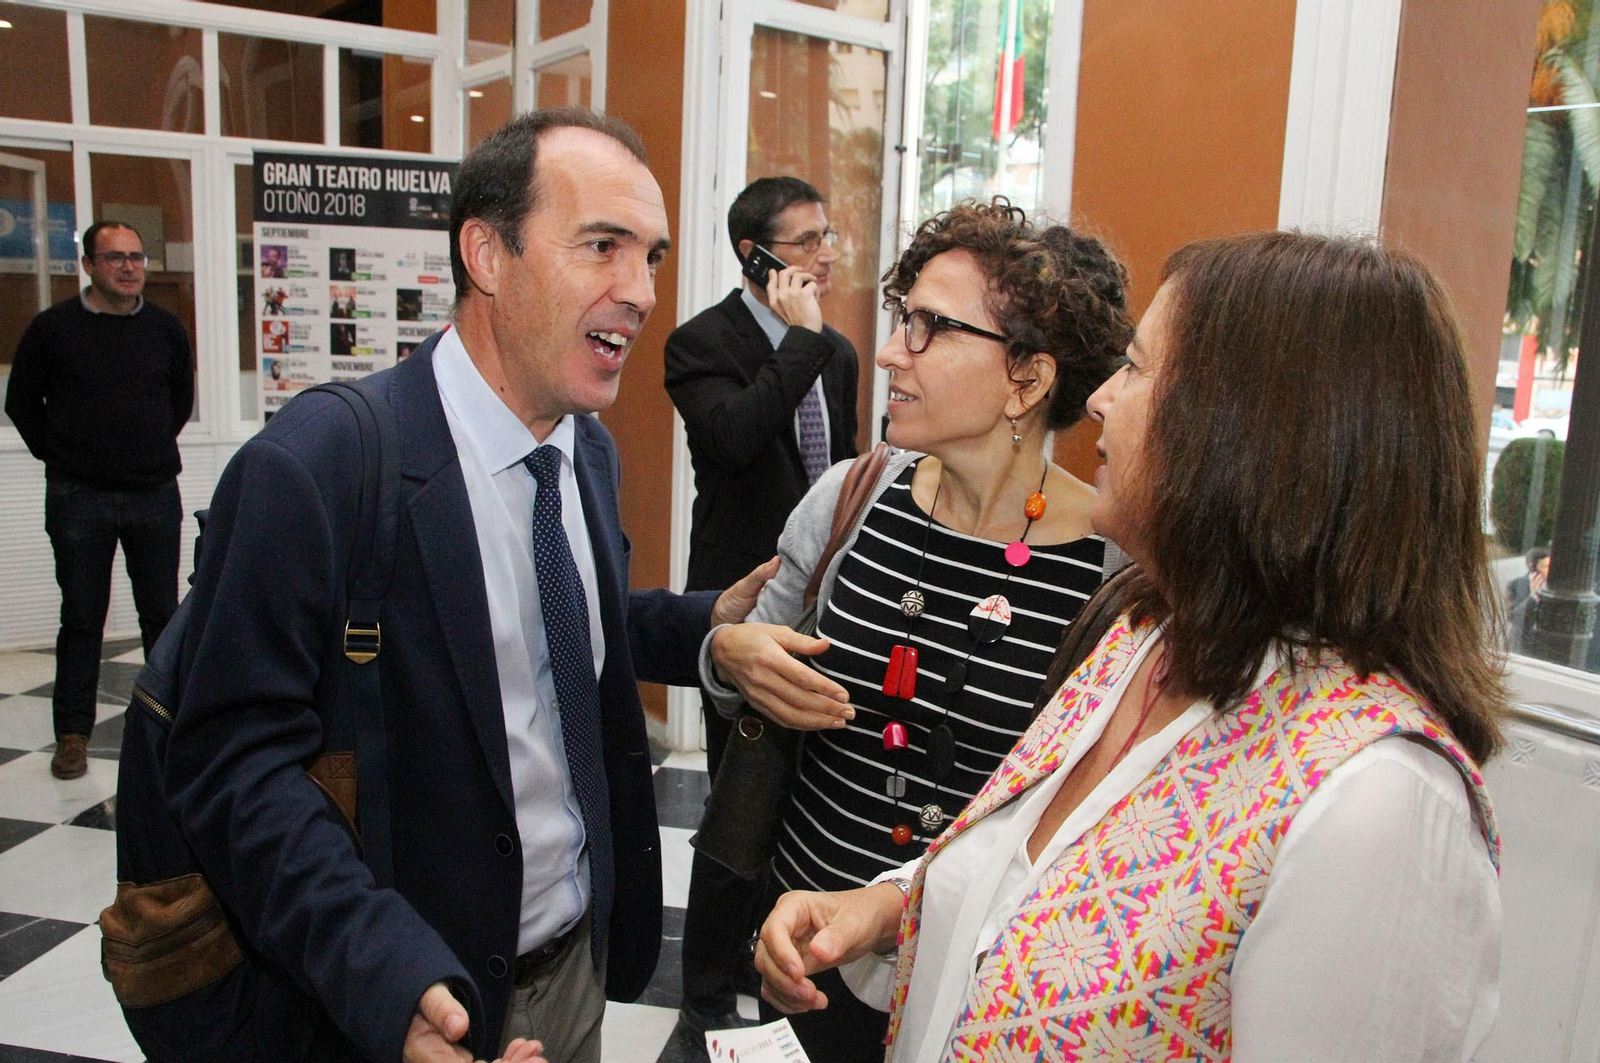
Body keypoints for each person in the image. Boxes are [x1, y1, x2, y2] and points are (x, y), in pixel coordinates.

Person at [754, 231, 1507, 1063]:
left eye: (1140, 369)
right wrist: (891, 905)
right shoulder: (1144, 633)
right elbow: (1024, 879)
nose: (1103, 397)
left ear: (1257, 435)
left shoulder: (1381, 807)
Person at [161, 108, 775, 1063]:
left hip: (572, 973)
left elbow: (555, 634)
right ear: (486, 254)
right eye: (602, 246)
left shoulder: (585, 450)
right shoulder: (316, 468)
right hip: (406, 996)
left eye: (650, 255)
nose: (642, 292)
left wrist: (705, 632)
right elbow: (232, 765)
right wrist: (387, 979)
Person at [703, 198, 1132, 1062]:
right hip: (799, 952)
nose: (893, 350)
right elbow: (746, 655)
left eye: (931, 327)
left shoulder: (1112, 571)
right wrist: (727, 653)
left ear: (1028, 378)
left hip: (966, 990)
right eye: (904, 319)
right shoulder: (850, 499)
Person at [659, 175, 860, 1056]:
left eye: (828, 236)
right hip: (739, 606)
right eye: (806, 239)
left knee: (801, 793)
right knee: (739, 796)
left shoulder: (838, 351)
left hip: (826, 603)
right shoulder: (699, 342)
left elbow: (847, 470)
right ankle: (703, 980)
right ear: (756, 255)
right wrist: (803, 345)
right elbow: (736, 438)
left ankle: (758, 953)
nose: (825, 253)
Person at [5, 221, 193, 780]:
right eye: (115, 258)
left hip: (153, 492)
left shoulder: (165, 329)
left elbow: (179, 400)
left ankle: (170, 728)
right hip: (78, 497)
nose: (130, 267)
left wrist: (147, 446)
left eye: (137, 257)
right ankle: (72, 735)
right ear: (87, 265)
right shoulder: (52, 330)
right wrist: (64, 457)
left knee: (162, 616)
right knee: (82, 619)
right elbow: (21, 404)